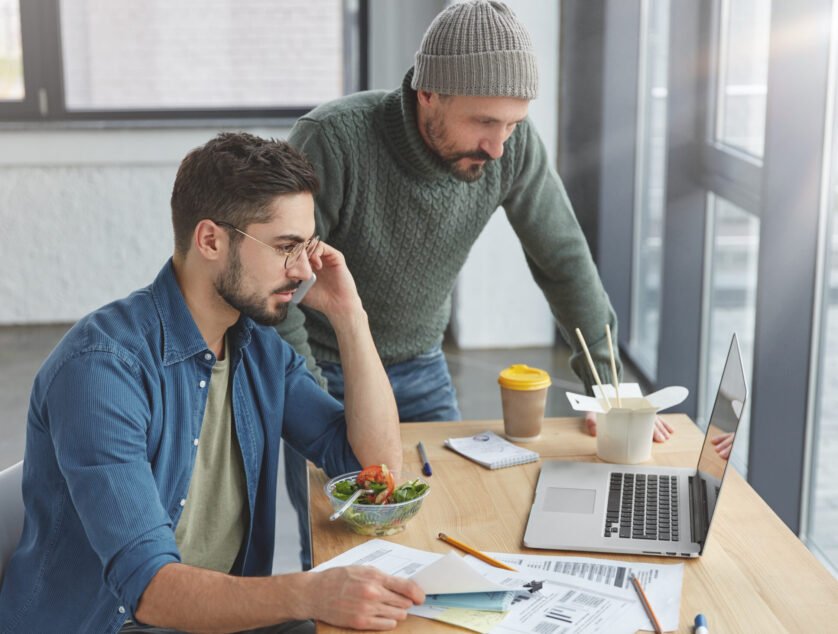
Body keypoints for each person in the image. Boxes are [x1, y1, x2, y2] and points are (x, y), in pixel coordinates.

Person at [279, 0, 673, 567]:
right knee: (341, 548)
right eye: (485, 122)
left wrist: (610, 390)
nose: (499, 146)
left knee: (451, 523)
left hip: (420, 365)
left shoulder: (512, 150)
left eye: (513, 124)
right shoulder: (332, 141)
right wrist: (311, 401)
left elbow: (564, 260)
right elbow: (280, 288)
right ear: (429, 93)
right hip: (324, 368)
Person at [0, 133, 424, 633]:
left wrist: (350, 315)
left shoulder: (257, 348)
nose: (302, 270)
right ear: (210, 240)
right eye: (285, 247)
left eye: (307, 247)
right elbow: (149, 588)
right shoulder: (102, 369)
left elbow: (373, 467)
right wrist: (310, 592)